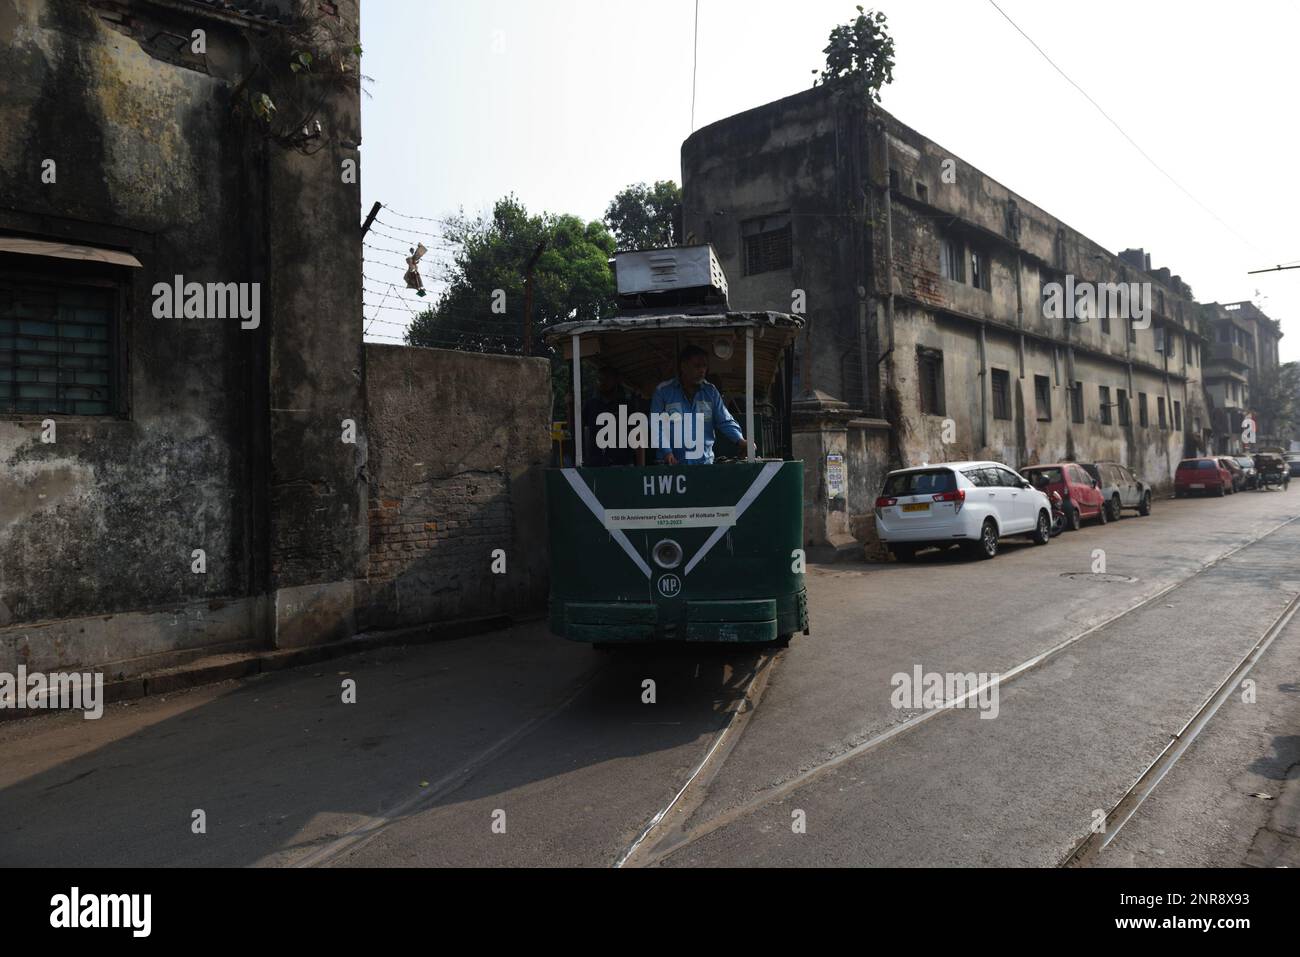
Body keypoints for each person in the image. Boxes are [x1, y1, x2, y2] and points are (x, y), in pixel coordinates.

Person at [649, 344, 749, 465]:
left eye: (704, 366)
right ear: (683, 366)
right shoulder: (663, 391)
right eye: (697, 366)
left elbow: (724, 420)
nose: (702, 370)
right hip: (670, 465)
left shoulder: (710, 392)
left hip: (703, 464)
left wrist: (740, 440)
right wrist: (667, 452)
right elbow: (655, 425)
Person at [582, 364, 645, 467]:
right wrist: (569, 406)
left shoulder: (628, 406)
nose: (602, 382)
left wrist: (641, 469)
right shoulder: (590, 405)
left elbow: (638, 437)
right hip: (596, 466)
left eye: (607, 378)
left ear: (617, 380)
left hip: (623, 466)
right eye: (599, 379)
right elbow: (575, 430)